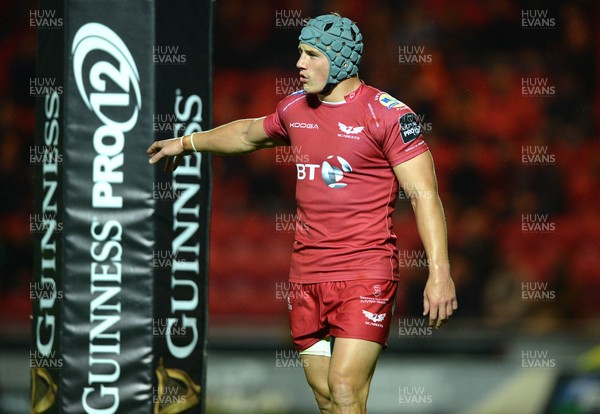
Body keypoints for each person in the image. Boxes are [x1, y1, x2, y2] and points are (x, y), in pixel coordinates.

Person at [147, 13, 457, 414]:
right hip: (307, 275)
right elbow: (246, 134)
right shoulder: (294, 108)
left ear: (340, 60)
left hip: (365, 272)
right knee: (327, 397)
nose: (300, 64)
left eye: (311, 55)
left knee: (344, 388)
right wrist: (187, 143)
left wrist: (440, 272)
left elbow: (425, 195)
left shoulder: (390, 115)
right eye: (299, 53)